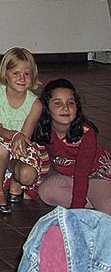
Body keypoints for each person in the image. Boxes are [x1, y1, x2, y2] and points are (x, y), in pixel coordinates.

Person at [0, 47, 45, 214]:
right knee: (1, 147)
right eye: (16, 73)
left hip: (20, 142)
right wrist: (15, 136)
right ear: (6, 74)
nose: (22, 78)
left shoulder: (35, 104)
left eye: (27, 74)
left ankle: (15, 178)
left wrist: (18, 141)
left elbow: (25, 137)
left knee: (28, 175)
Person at [32, 78, 111, 214]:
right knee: (46, 191)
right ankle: (94, 202)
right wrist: (32, 191)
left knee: (106, 207)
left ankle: (98, 201)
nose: (65, 108)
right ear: (46, 108)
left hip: (97, 177)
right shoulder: (44, 131)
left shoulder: (86, 133)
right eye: (58, 103)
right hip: (72, 179)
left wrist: (76, 210)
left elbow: (82, 173)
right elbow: (43, 163)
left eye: (71, 103)